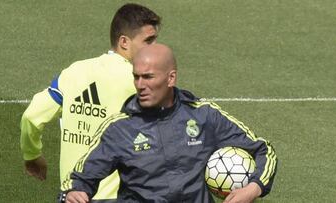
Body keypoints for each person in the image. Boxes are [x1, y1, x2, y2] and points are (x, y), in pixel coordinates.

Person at [62, 44, 278, 203]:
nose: (140, 85)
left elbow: (264, 150)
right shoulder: (119, 128)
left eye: (148, 77)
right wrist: (74, 192)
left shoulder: (204, 116)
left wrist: (253, 188)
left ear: (171, 78)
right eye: (136, 77)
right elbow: (79, 178)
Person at [20, 3, 161, 202]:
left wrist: (32, 154)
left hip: (72, 196)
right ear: (124, 42)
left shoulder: (73, 72)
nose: (155, 48)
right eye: (149, 41)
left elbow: (32, 116)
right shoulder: (140, 82)